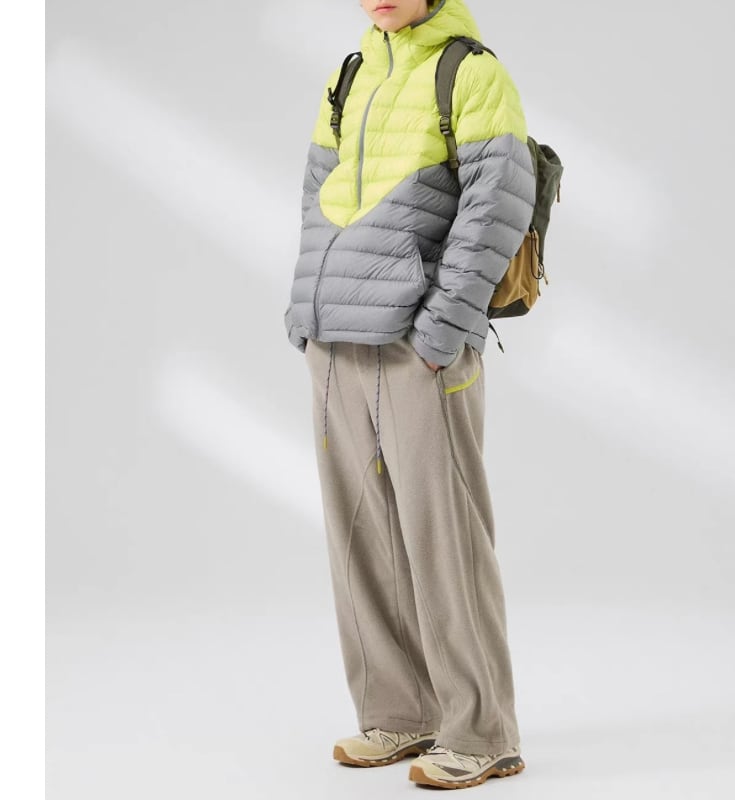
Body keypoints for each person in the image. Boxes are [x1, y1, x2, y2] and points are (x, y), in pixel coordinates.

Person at [283, 0, 535, 789]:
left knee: (443, 538)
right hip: (334, 338)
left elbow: (500, 202)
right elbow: (316, 197)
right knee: (359, 537)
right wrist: (305, 312)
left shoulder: (472, 72)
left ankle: (481, 732)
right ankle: (398, 714)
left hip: (418, 348)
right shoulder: (348, 74)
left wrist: (442, 330)